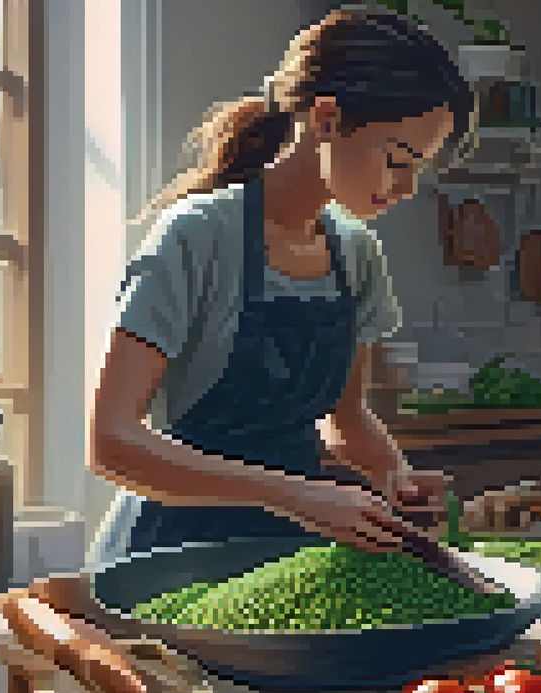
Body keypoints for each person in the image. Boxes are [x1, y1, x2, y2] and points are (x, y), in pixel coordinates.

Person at [87, 8, 478, 564]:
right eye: (398, 160)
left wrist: (396, 476)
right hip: (166, 557)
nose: (408, 187)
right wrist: (294, 494)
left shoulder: (355, 255)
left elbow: (348, 418)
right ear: (324, 119)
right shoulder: (196, 236)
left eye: (421, 169)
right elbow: (112, 443)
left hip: (290, 557)